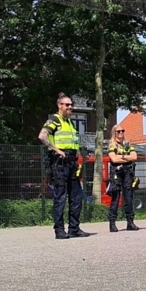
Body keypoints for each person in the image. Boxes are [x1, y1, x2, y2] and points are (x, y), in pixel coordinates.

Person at [38, 93, 91, 239]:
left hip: (72, 162)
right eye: (67, 105)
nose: (70, 107)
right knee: (60, 197)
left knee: (77, 196)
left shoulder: (70, 123)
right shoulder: (55, 120)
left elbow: (73, 142)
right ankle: (59, 230)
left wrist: (78, 154)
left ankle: (74, 228)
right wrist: (57, 150)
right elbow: (42, 136)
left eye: (71, 105)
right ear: (59, 105)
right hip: (59, 163)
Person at [106, 124, 142, 233]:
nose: (121, 133)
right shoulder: (112, 145)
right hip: (117, 172)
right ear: (114, 133)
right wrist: (127, 158)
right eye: (118, 131)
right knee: (115, 198)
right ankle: (112, 223)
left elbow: (134, 156)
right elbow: (114, 159)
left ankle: (130, 222)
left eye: (122, 131)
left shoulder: (128, 144)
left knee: (128, 197)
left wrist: (121, 157)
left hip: (128, 172)